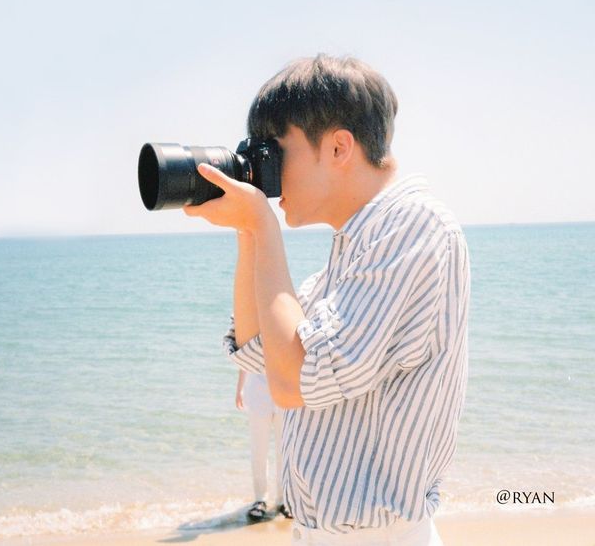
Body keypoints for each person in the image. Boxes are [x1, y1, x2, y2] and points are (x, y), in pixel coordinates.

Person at [184, 54, 469, 546]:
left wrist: (262, 225)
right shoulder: (353, 251)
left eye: (274, 152)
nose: (266, 173)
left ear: (339, 147)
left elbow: (295, 381)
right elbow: (261, 352)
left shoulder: (412, 228)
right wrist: (248, 232)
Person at [235, 368, 290, 520]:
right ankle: (260, 499)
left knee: (284, 451)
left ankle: (284, 500)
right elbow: (244, 354)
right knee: (259, 449)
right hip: (257, 391)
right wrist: (239, 388)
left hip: (284, 389)